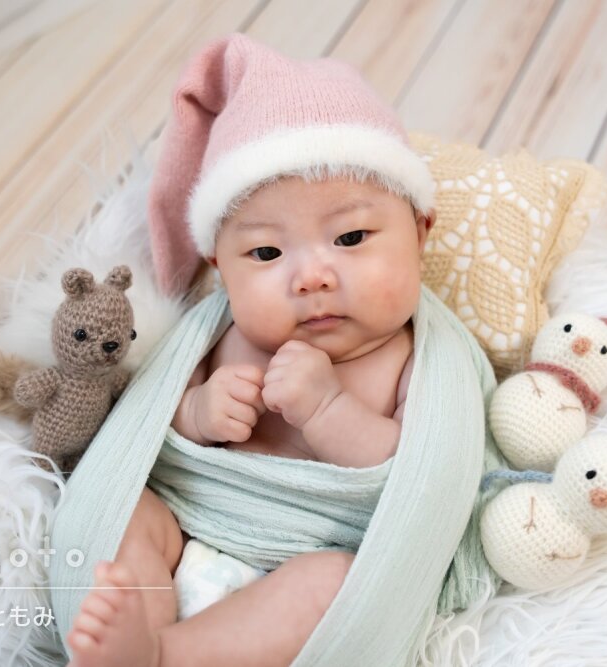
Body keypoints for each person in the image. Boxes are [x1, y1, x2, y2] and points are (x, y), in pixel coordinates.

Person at [65, 32, 442, 667]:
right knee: (123, 513)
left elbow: (418, 471)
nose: (311, 277)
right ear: (220, 267)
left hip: (307, 557)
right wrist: (197, 413)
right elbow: (149, 423)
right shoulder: (215, 334)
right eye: (266, 252)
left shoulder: (414, 357)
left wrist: (326, 410)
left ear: (420, 231)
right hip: (188, 527)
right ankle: (132, 633)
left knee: (335, 584)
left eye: (351, 237)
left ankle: (164, 656)